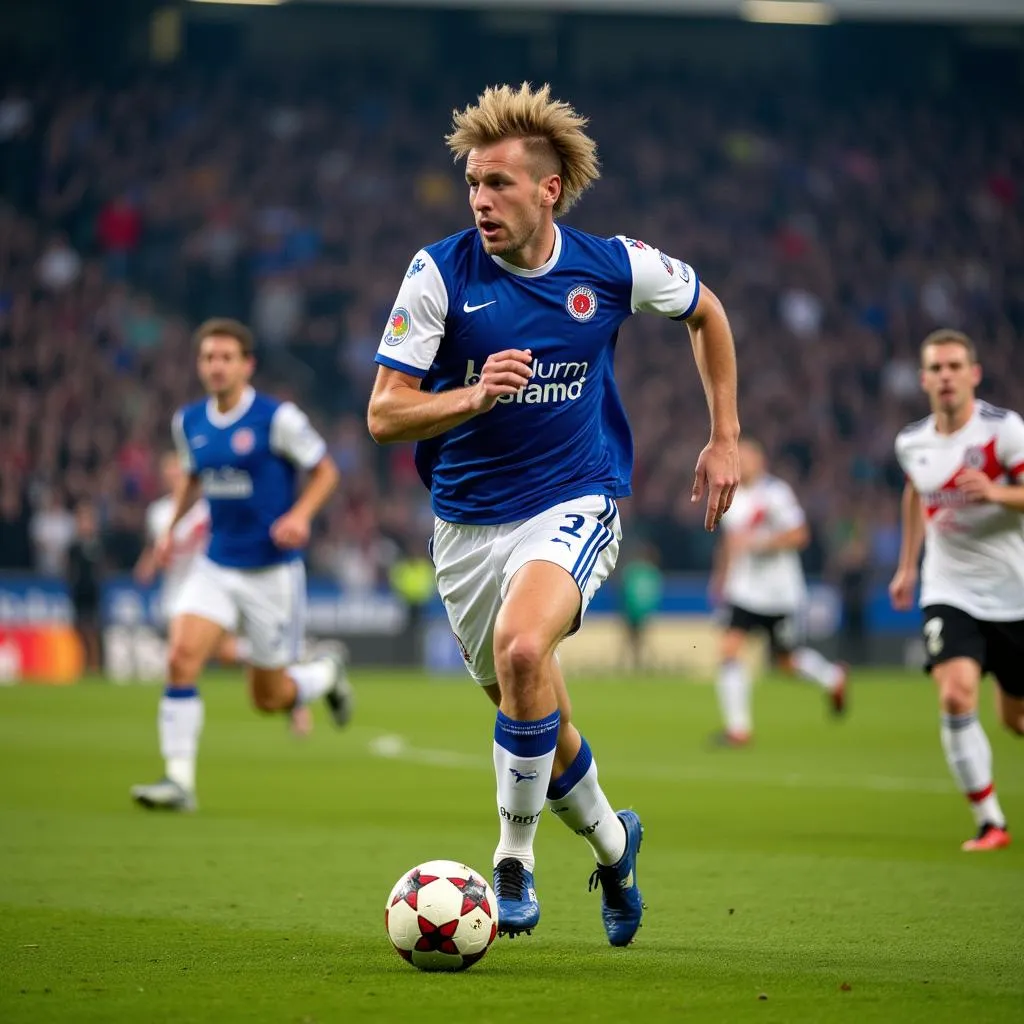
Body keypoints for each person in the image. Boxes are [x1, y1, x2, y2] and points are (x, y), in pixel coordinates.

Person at [367, 83, 740, 945]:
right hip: (466, 525)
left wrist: (726, 436)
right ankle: (615, 847)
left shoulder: (612, 265)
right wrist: (471, 395)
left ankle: (512, 859)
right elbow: (384, 415)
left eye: (498, 183)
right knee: (540, 711)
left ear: (549, 189)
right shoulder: (439, 274)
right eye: (472, 183)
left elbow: (706, 311)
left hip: (576, 498)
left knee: (527, 646)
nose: (481, 201)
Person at [130, 318, 353, 812]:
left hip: (271, 573)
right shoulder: (188, 422)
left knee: (268, 698)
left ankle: (327, 674)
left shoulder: (277, 419)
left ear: (247, 365)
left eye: (227, 357)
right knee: (180, 658)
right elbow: (191, 479)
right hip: (216, 566)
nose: (217, 365)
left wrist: (299, 515)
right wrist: (169, 532)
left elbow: (325, 470)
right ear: (200, 364)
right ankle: (179, 782)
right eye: (209, 357)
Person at [890, 329, 1024, 853]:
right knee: (954, 692)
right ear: (924, 379)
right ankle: (990, 820)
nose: (946, 376)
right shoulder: (912, 443)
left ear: (974, 374)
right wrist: (907, 565)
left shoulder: (1004, 431)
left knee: (1013, 718)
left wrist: (994, 491)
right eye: (936, 368)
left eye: (954, 366)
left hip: (1013, 592)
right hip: (949, 588)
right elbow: (913, 494)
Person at [134, 452, 314, 737]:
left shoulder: (211, 507)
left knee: (195, 656)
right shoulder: (158, 512)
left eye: (178, 473)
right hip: (177, 592)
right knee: (216, 657)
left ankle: (289, 677)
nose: (174, 478)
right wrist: (148, 564)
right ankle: (283, 665)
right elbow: (158, 546)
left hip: (215, 587)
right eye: (169, 474)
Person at [709, 440, 848, 746]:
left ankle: (833, 678)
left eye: (747, 459)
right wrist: (720, 578)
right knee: (729, 651)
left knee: (786, 663)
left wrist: (762, 544)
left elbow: (800, 535)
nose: (742, 464)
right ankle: (738, 730)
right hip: (743, 591)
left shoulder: (776, 494)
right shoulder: (730, 496)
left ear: (761, 462)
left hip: (779, 594)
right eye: (738, 459)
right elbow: (731, 542)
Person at [66, 501, 104, 675]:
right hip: (78, 593)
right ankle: (84, 664)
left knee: (92, 631)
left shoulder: (97, 545)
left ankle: (95, 666)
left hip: (92, 594)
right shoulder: (73, 547)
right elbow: (69, 570)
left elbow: (102, 570)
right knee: (79, 631)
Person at [618, 542, 663, 672]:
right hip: (639, 611)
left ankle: (634, 665)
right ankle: (637, 664)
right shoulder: (650, 572)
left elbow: (624, 590)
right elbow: (653, 593)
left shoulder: (633, 570)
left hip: (633, 611)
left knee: (633, 640)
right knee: (636, 640)